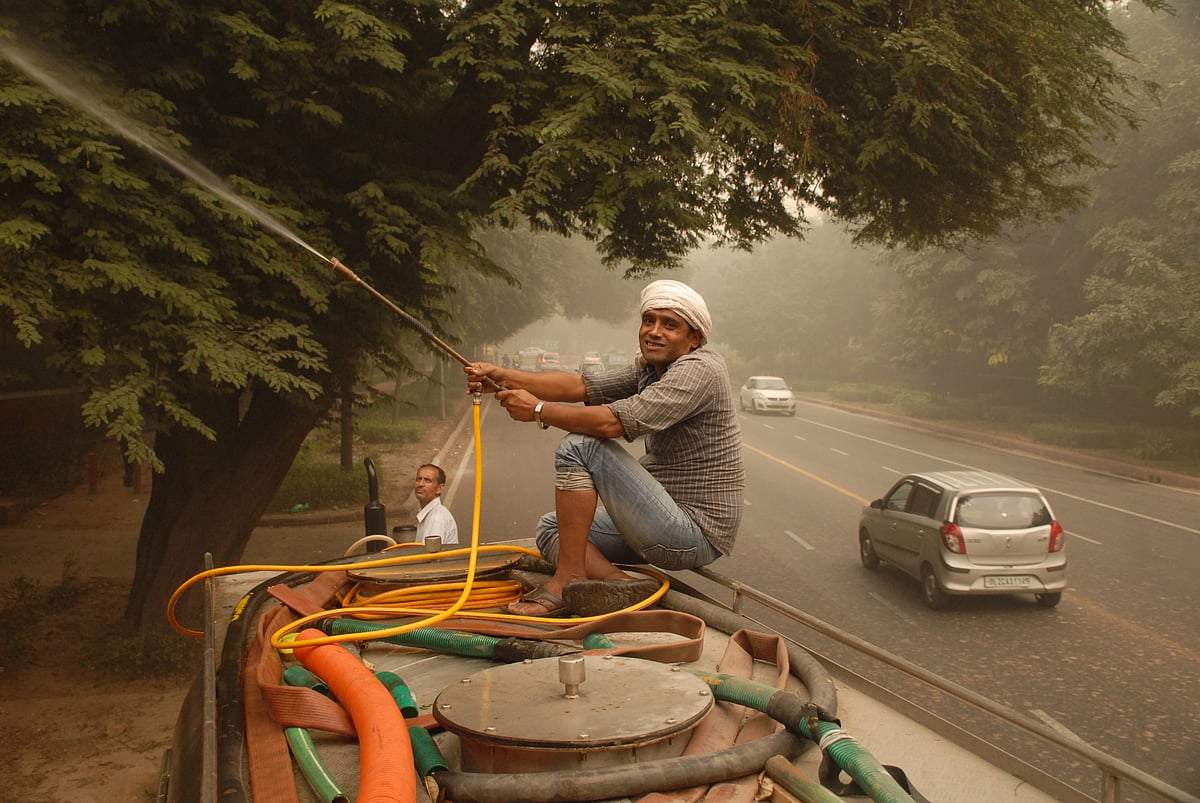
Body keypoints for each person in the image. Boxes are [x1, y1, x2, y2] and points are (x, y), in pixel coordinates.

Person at [465, 279, 744, 616]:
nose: (654, 331)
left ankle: (568, 580)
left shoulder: (700, 370)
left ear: (694, 338)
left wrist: (538, 410)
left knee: (580, 446)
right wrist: (504, 374)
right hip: (656, 519)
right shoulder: (651, 365)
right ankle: (624, 587)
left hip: (690, 532)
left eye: (670, 324)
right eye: (649, 320)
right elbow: (583, 385)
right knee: (552, 529)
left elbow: (613, 423)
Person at [413, 463, 459, 545]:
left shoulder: (437, 519)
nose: (420, 484)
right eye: (418, 479)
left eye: (427, 480)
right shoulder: (429, 513)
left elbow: (429, 555)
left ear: (439, 488)